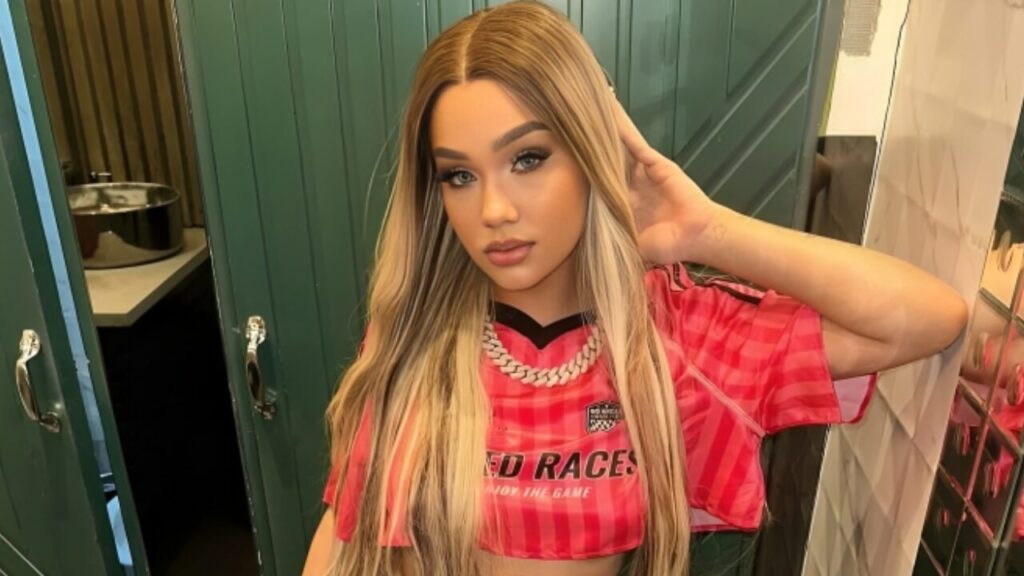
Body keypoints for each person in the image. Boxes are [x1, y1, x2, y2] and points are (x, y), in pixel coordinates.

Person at [302, 2, 967, 575]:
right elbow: (343, 532)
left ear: (591, 154)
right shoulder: (414, 338)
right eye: (459, 176)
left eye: (528, 159)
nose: (494, 210)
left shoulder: (676, 339)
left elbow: (926, 318)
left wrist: (709, 230)